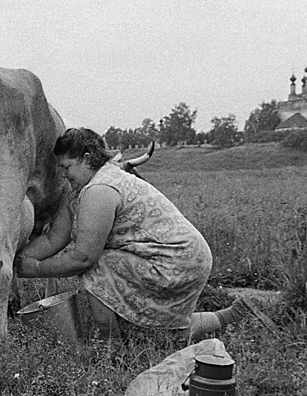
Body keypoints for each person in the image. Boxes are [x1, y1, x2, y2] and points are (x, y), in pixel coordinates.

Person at [15, 127, 247, 344]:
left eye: (67, 167)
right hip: (173, 257)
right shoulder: (78, 189)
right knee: (153, 334)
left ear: (86, 159)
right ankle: (227, 317)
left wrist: (36, 269)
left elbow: (83, 258)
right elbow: (54, 239)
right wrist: (16, 260)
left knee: (97, 266)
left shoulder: (101, 189)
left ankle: (110, 346)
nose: (63, 174)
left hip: (177, 259)